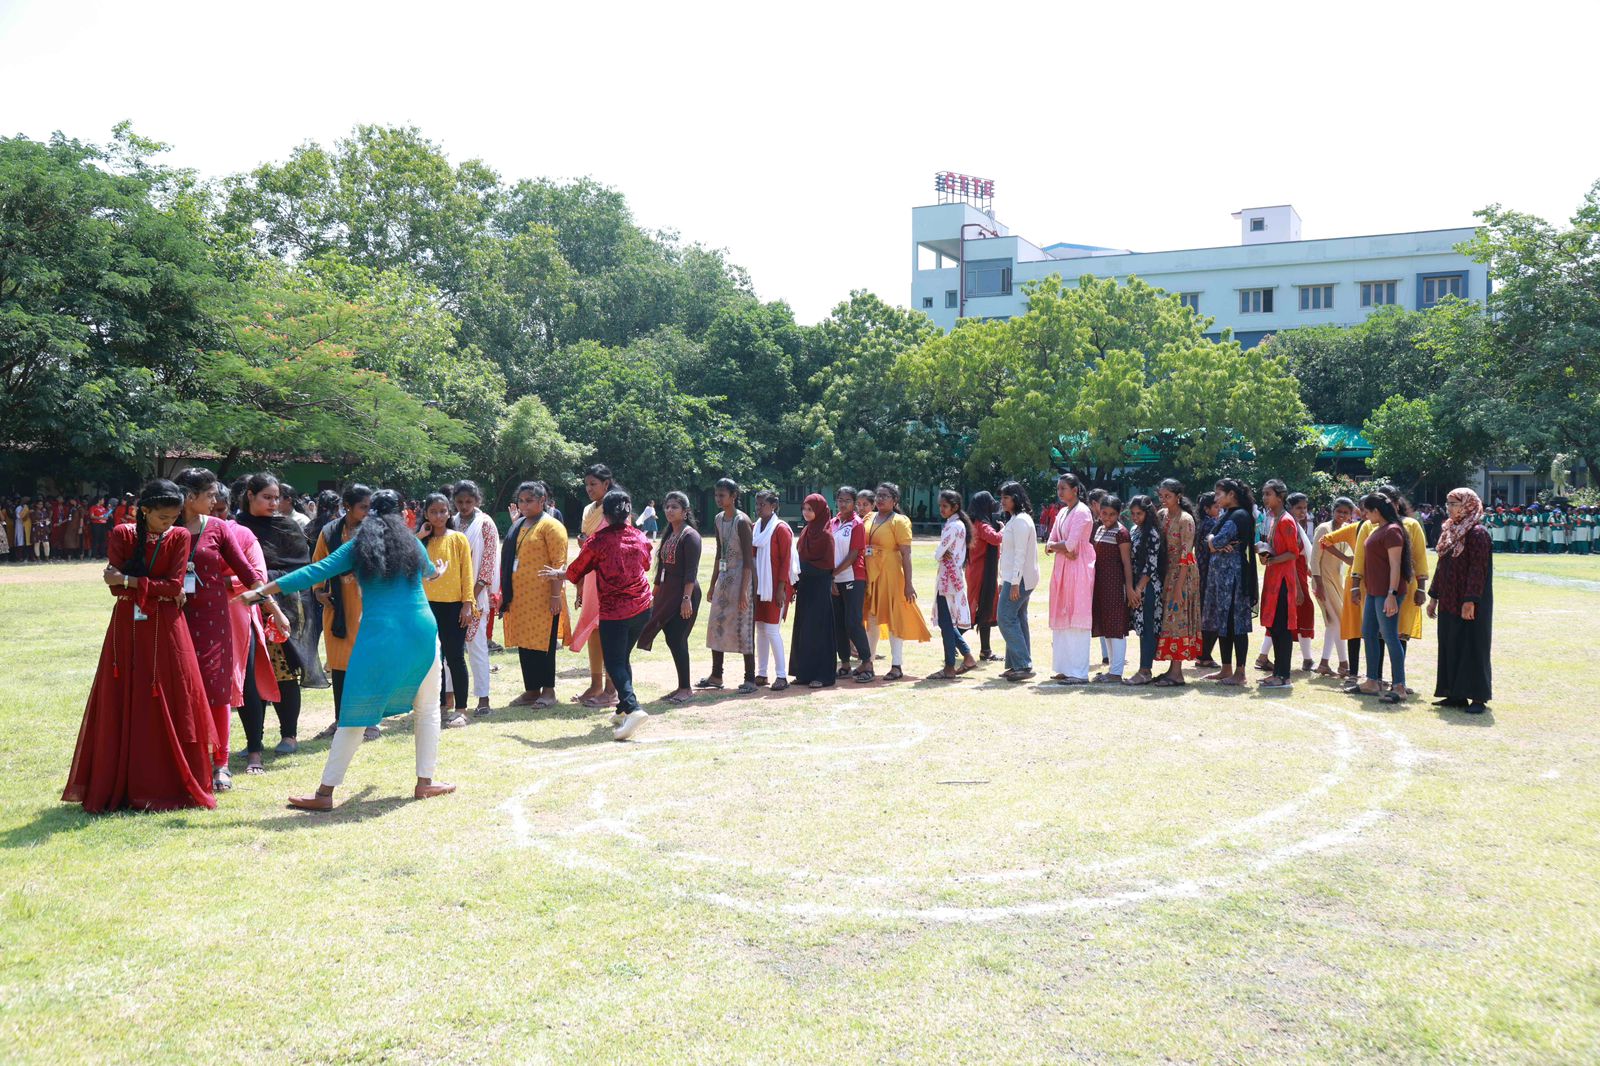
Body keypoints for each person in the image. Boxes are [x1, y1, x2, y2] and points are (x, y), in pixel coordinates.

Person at [240, 491, 457, 809]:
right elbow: (430, 573)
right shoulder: (411, 543)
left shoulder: (358, 547)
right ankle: (425, 782)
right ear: (401, 515)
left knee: (354, 714)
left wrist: (262, 590)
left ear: (369, 516)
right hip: (422, 631)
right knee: (427, 709)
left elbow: (314, 572)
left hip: (379, 636)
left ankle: (324, 795)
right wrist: (439, 569)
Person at [63, 480, 220, 813]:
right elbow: (115, 589)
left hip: (167, 629)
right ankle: (122, 783)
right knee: (125, 694)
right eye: (163, 517)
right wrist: (141, 586)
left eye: (174, 517)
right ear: (145, 510)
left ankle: (166, 781)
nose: (170, 524)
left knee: (169, 693)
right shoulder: (121, 534)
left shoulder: (178, 537)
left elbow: (174, 585)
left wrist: (131, 581)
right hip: (127, 629)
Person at [171, 468, 279, 793]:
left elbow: (250, 573)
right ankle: (183, 761)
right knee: (177, 689)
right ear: (190, 498)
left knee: (217, 692)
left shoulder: (218, 527)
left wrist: (269, 602)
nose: (217, 500)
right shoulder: (167, 527)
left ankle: (220, 764)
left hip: (213, 620)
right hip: (172, 618)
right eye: (210, 494)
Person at [541, 488, 654, 740]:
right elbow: (646, 564)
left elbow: (577, 570)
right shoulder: (639, 536)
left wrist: (558, 574)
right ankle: (623, 708)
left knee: (614, 663)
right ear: (628, 512)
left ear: (605, 512)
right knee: (622, 659)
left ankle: (633, 709)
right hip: (643, 607)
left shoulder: (598, 541)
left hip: (616, 611)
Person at [234, 473, 317, 768]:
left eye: (276, 497)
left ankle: (289, 735)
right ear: (250, 495)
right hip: (244, 611)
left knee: (283, 673)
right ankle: (252, 739)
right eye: (266, 497)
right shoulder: (236, 527)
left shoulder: (288, 526)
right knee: (250, 678)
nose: (273, 503)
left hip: (282, 610)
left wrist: (262, 579)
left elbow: (301, 569)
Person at [310, 484, 376, 740]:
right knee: (339, 666)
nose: (368, 512)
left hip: (368, 607)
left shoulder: (374, 530)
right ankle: (341, 720)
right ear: (347, 506)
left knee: (366, 662)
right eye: (363, 507)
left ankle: (370, 722)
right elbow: (318, 564)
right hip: (337, 608)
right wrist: (318, 592)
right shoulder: (329, 532)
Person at [499, 481, 571, 708]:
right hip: (520, 597)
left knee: (544, 644)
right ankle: (531, 690)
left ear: (542, 501)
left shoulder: (552, 526)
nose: (524, 504)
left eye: (529, 500)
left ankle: (548, 691)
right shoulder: (519, 524)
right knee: (525, 642)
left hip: (543, 597)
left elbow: (559, 564)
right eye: (521, 500)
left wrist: (555, 597)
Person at [1429, 487, 1493, 713]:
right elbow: (1441, 565)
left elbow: (1478, 569)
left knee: (1472, 645)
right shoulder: (1449, 530)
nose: (1450, 508)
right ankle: (1454, 694)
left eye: (1454, 504)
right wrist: (1434, 597)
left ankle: (1477, 697)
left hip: (1469, 602)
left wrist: (1471, 600)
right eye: (1448, 504)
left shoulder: (1478, 534)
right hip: (1448, 599)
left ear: (1468, 505)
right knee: (1450, 644)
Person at [418, 493, 476, 729]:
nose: (439, 516)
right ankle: (439, 706)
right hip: (427, 607)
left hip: (454, 607)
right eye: (433, 511)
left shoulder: (458, 539)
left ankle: (461, 709)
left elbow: (466, 573)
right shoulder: (422, 541)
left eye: (443, 511)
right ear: (426, 514)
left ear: (449, 512)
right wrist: (419, 536)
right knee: (433, 660)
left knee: (455, 657)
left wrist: (467, 604)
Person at [863, 482, 932, 681]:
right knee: (872, 619)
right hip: (870, 576)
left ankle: (896, 665)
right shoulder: (869, 517)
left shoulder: (899, 521)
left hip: (891, 576)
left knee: (894, 619)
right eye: (878, 495)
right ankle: (869, 663)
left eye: (885, 496)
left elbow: (906, 554)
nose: (880, 499)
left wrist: (908, 584)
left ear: (895, 500)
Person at [638, 491, 701, 703]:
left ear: (685, 512)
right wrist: (654, 594)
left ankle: (686, 688)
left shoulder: (690, 536)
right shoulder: (670, 534)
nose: (669, 510)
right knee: (670, 637)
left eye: (674, 507)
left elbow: (691, 572)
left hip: (684, 592)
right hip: (667, 591)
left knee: (678, 638)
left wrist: (686, 599)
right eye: (667, 507)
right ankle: (681, 686)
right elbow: (661, 569)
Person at [700, 478, 758, 693]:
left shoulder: (742, 521)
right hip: (724, 578)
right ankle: (716, 675)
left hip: (742, 578)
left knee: (743, 625)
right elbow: (718, 552)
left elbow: (749, 559)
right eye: (716, 495)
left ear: (733, 497)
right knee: (717, 624)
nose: (718, 498)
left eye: (722, 495)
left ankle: (750, 678)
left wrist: (744, 591)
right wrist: (713, 583)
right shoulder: (718, 519)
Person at [1353, 493, 1412, 703]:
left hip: (1387, 592)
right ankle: (1372, 681)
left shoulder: (1393, 531)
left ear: (1377, 511)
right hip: (1374, 591)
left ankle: (1399, 686)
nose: (1365, 515)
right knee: (1368, 633)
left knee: (1389, 636)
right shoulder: (1380, 529)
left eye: (1367, 511)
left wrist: (1392, 595)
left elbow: (1395, 566)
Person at [448, 479, 500, 717]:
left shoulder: (485, 524)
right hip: (450, 596)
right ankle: (449, 697)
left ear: (477, 501)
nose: (464, 506)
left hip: (476, 598)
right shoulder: (452, 522)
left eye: (469, 501)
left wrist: (470, 597)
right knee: (450, 649)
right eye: (459, 501)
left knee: (476, 646)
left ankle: (483, 698)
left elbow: (487, 565)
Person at [568, 465, 619, 707]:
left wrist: (590, 546)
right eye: (587, 484)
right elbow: (589, 545)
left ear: (606, 484)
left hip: (609, 577)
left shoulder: (617, 508)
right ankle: (596, 684)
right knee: (593, 629)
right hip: (590, 576)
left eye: (594, 484)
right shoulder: (589, 510)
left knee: (609, 629)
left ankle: (612, 688)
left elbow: (619, 542)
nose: (589, 489)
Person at [1201, 479, 1258, 686]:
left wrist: (1212, 541)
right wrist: (1212, 540)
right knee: (1222, 623)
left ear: (1231, 494)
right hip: (1221, 577)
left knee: (1236, 624)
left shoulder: (1240, 515)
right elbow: (1210, 540)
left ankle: (1240, 672)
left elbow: (1215, 541)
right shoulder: (1228, 515)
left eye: (1219, 494)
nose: (1216, 499)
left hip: (1234, 577)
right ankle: (1226, 669)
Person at [1255, 480, 1306, 690]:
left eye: (1268, 494)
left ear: (1280, 496)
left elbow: (1293, 552)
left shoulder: (1286, 521)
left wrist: (1272, 560)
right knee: (1274, 628)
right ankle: (1277, 673)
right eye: (1264, 494)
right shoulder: (1273, 519)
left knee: (1282, 628)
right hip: (1274, 578)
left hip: (1283, 581)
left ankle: (1283, 675)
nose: (1265, 498)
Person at [1046, 473, 1095, 684]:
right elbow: (1050, 541)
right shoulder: (1063, 512)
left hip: (1079, 569)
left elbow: (1071, 545)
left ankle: (1079, 672)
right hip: (1063, 568)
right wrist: (1060, 547)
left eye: (1063, 488)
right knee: (1062, 614)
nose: (1060, 492)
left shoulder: (1082, 512)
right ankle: (1064, 668)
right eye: (1058, 488)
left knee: (1077, 616)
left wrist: (1061, 547)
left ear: (1075, 490)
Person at [790, 493, 839, 688]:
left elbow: (827, 566)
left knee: (818, 630)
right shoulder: (806, 532)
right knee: (804, 630)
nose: (806, 512)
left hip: (819, 588)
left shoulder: (826, 535)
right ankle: (804, 672)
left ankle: (823, 675)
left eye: (810, 509)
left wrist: (802, 568)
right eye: (805, 509)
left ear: (819, 511)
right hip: (805, 588)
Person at [1155, 479, 1201, 686]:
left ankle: (1176, 672)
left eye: (1168, 496)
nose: (1164, 500)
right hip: (1167, 573)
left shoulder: (1186, 519)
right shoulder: (1162, 515)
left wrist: (1179, 588)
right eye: (1161, 496)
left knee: (1178, 618)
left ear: (1178, 496)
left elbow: (1186, 555)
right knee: (1168, 620)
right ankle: (1171, 669)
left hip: (1183, 574)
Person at [929, 489, 977, 679]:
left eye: (945, 506)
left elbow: (938, 553)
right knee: (946, 622)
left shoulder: (954, 526)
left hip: (948, 580)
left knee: (946, 623)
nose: (941, 509)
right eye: (940, 506)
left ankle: (950, 666)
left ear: (955, 507)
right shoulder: (957, 524)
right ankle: (967, 656)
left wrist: (940, 553)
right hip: (950, 577)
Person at [751, 490, 796, 689]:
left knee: (771, 629)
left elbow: (786, 561)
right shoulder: (755, 528)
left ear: (774, 506)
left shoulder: (781, 529)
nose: (759, 508)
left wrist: (781, 589)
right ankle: (761, 674)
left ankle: (781, 675)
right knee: (760, 629)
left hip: (776, 587)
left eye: (763, 504)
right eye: (757, 504)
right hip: (760, 587)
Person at [996, 481, 1039, 681]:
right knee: (1018, 618)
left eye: (1006, 497)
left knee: (1005, 617)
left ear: (1016, 498)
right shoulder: (1015, 519)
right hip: (1015, 578)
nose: (1002, 501)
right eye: (1002, 497)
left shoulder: (1021, 520)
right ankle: (1016, 664)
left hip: (1019, 579)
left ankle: (1022, 663)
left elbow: (1020, 553)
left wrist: (1013, 582)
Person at [828, 486, 871, 680]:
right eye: (840, 499)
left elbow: (854, 554)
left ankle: (867, 663)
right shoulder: (833, 522)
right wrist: (831, 577)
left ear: (853, 503)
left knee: (852, 621)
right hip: (835, 579)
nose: (843, 503)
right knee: (838, 623)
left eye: (847, 500)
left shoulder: (857, 523)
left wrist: (834, 574)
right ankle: (844, 663)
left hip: (854, 577)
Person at [1122, 495, 1165, 686]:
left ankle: (1145, 670)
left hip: (1148, 587)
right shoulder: (1134, 530)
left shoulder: (1153, 533)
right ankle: (1143, 668)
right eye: (1132, 514)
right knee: (1141, 628)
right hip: (1137, 587)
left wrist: (1138, 589)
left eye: (1139, 514)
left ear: (1148, 513)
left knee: (1148, 628)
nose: (1135, 517)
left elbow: (1151, 565)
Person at [1311, 497, 1356, 676]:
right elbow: (1314, 559)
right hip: (1322, 579)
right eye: (1339, 511)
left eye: (1346, 512)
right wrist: (1318, 584)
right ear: (1333, 510)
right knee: (1337, 621)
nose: (1342, 515)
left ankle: (1324, 663)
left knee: (1333, 623)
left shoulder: (1347, 529)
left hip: (1338, 580)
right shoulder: (1324, 528)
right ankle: (1344, 664)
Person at [1090, 493, 1132, 683]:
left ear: (1118, 514)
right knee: (1107, 626)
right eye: (1104, 513)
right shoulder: (1099, 529)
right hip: (1100, 584)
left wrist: (1129, 588)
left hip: (1115, 584)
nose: (1107, 517)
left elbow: (1126, 563)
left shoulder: (1121, 532)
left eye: (1112, 514)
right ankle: (1112, 669)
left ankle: (1116, 672)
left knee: (1116, 627)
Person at [965, 490, 1005, 662]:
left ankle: (985, 650)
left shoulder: (972, 522)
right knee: (975, 612)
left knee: (984, 611)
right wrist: (1004, 529)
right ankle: (953, 641)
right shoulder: (982, 524)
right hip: (981, 573)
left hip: (977, 571)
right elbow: (995, 539)